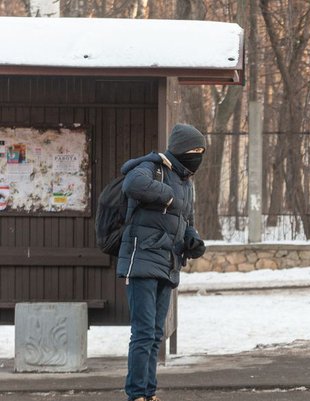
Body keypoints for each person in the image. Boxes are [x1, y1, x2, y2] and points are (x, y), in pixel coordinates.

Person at [117, 124, 208, 401]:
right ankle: (136, 394)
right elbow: (132, 183)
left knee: (156, 334)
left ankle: (149, 392)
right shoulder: (154, 166)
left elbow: (186, 221)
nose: (197, 156)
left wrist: (193, 240)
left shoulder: (186, 182)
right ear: (180, 149)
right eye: (194, 150)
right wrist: (167, 195)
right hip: (142, 260)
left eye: (201, 151)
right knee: (143, 333)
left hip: (168, 264)